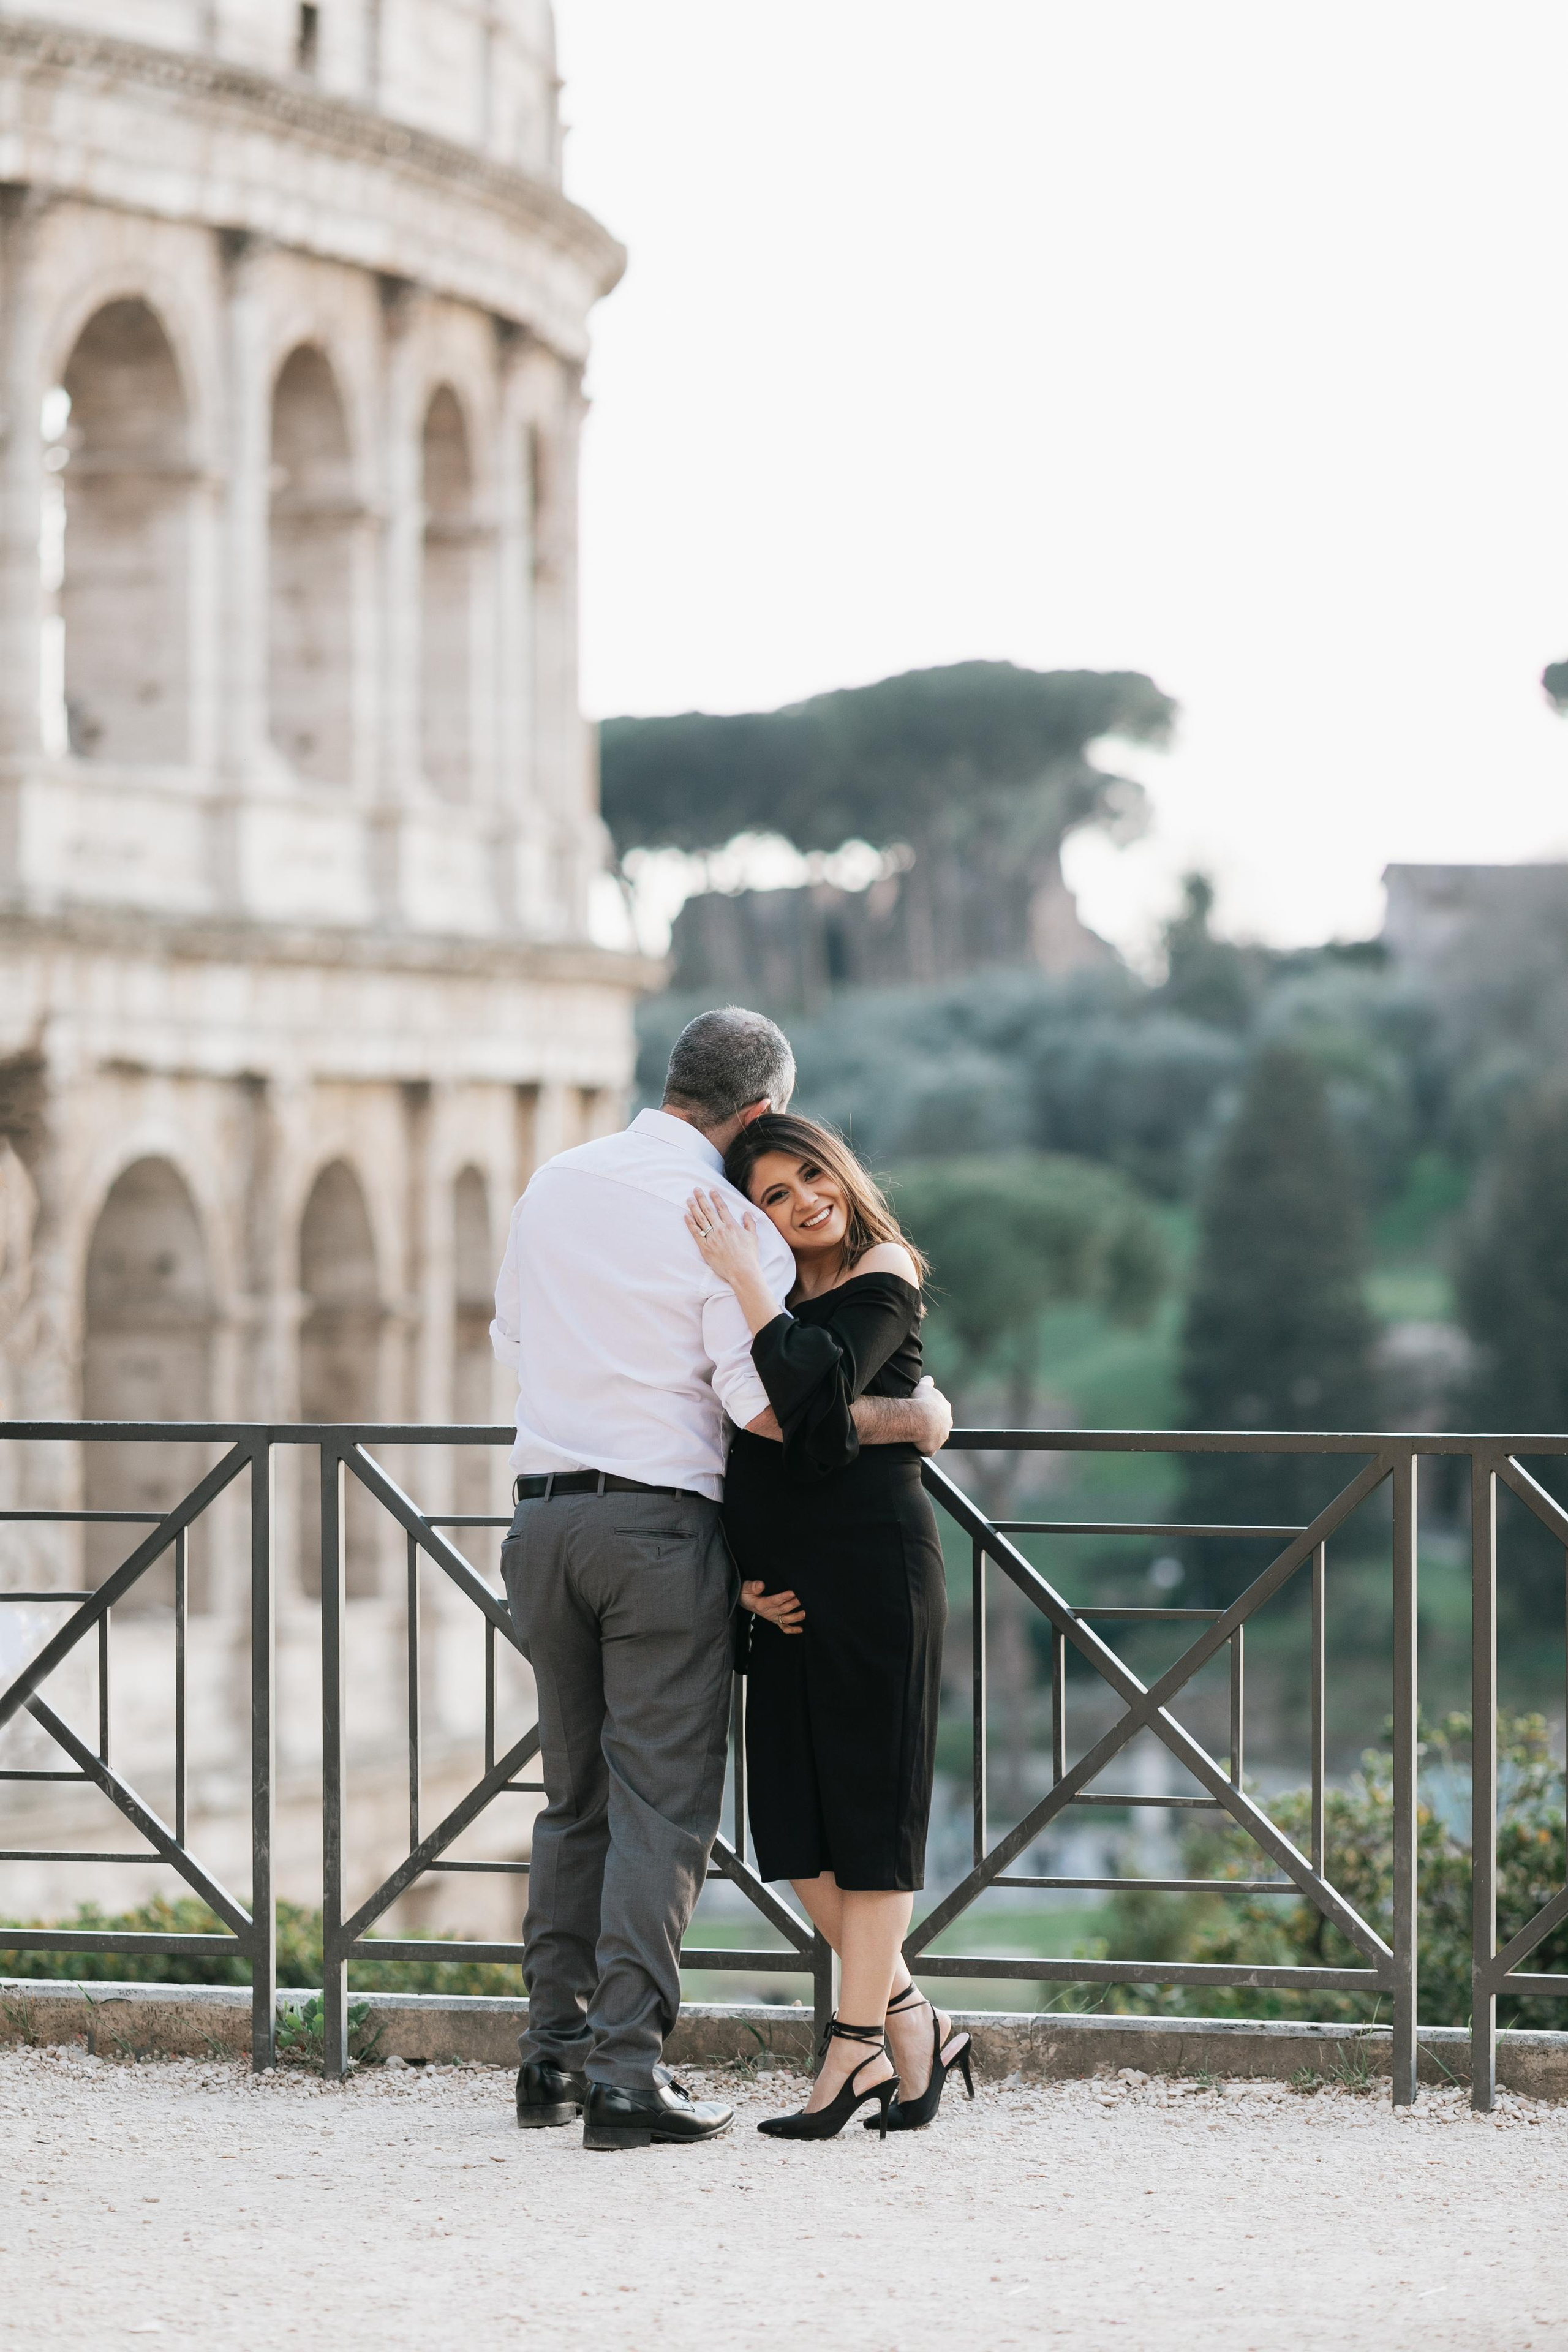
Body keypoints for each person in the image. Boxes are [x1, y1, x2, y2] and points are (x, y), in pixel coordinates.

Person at [491, 1008, 953, 2153]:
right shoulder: (724, 1220)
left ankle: (549, 2058)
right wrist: (915, 1416)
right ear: (759, 1110)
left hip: (541, 1522)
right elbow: (763, 1406)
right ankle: (625, 2079)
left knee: (573, 1801)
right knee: (661, 1805)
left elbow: (511, 1337)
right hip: (656, 1535)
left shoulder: (556, 1181)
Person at [684, 1112, 973, 2140]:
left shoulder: (880, 1270)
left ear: (842, 1174)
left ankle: (852, 2046)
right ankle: (913, 2018)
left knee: (872, 1810)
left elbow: (810, 1406)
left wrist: (749, 1279)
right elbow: (746, 1436)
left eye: (811, 1176)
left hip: (874, 1573)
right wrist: (739, 1578)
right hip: (783, 1595)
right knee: (794, 1824)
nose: (803, 1200)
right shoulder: (758, 1308)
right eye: (773, 1194)